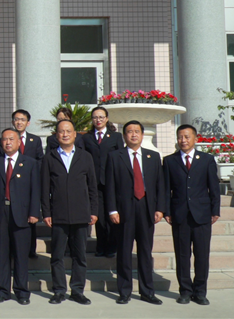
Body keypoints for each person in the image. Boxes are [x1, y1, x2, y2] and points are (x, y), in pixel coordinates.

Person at [105, 121, 166, 305]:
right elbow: (110, 186)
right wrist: (112, 209)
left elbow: (160, 185)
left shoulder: (153, 156)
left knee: (145, 252)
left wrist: (160, 208)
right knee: (124, 251)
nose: (133, 135)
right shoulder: (115, 156)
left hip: (146, 209)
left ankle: (147, 291)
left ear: (142, 135)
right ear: (124, 136)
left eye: (137, 131)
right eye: (129, 132)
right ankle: (124, 291)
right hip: (124, 210)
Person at [41, 119, 98, 306]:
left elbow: (92, 187)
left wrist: (94, 211)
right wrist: (46, 212)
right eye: (61, 131)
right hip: (58, 215)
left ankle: (77, 290)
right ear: (56, 135)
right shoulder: (49, 157)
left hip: (81, 214)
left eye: (68, 131)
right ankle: (59, 290)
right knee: (57, 256)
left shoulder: (85, 157)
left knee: (79, 256)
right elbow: (44, 188)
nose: (65, 134)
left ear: (75, 134)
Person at [163, 124, 220, 306]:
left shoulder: (206, 160)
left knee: (202, 256)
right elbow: (166, 189)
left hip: (202, 214)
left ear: (195, 138)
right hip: (179, 215)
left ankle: (200, 292)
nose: (183, 140)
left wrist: (215, 210)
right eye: (180, 137)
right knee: (182, 255)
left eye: (187, 137)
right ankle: (185, 291)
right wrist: (167, 211)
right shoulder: (169, 161)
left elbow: (214, 187)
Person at [0, 128, 40, 305]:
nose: (8, 142)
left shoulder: (30, 163)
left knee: (21, 255)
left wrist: (34, 212)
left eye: (11, 139)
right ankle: (2, 291)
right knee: (2, 254)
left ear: (19, 142)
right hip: (1, 213)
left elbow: (35, 190)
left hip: (22, 214)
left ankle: (22, 292)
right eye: (4, 139)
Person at [82, 106, 123, 258]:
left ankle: (112, 246)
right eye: (95, 117)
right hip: (94, 181)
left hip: (111, 180)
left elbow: (120, 157)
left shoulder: (115, 137)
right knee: (98, 215)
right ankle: (101, 246)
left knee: (111, 214)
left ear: (106, 118)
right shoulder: (86, 138)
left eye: (101, 117)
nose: (98, 120)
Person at [10, 108, 44, 258]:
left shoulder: (34, 140)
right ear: (13, 122)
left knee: (31, 217)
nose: (19, 122)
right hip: (12, 184)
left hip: (29, 183)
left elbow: (40, 160)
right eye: (16, 119)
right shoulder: (7, 138)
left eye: (22, 120)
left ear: (28, 123)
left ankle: (31, 249)